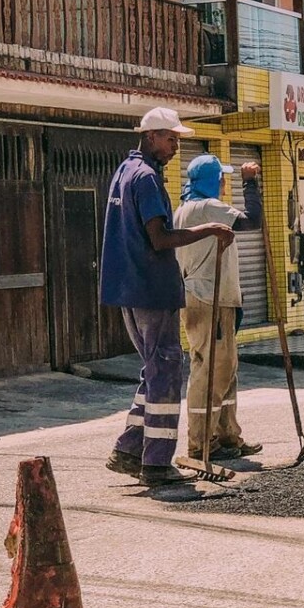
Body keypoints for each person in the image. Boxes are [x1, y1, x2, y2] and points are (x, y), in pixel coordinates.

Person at [101, 108, 235, 486]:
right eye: (171, 139)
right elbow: (160, 239)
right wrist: (209, 228)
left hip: (131, 287)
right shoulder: (145, 178)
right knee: (166, 371)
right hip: (150, 287)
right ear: (151, 136)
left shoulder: (125, 171)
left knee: (154, 370)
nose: (176, 146)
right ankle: (157, 463)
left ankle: (128, 450)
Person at [174, 154, 265, 461]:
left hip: (207, 297)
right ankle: (201, 442)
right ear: (213, 181)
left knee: (225, 369)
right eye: (223, 179)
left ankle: (227, 437)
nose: (226, 184)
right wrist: (250, 183)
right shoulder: (207, 208)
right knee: (211, 370)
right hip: (208, 298)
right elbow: (252, 220)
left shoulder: (184, 210)